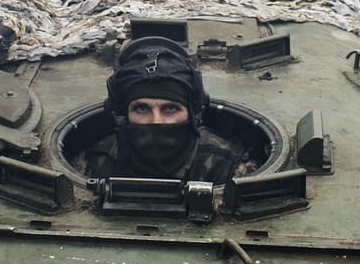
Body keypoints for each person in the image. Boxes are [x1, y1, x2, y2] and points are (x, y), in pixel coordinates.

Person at [84, 36, 245, 183]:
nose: (156, 121)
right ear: (124, 114)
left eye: (170, 108)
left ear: (192, 113)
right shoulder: (103, 159)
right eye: (142, 109)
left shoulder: (223, 164)